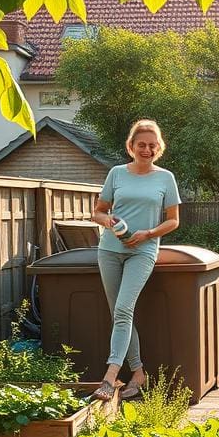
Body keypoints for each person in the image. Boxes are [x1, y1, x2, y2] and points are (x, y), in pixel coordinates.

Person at [90, 119, 180, 400]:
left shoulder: (165, 178)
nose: (147, 149)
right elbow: (98, 211)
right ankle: (138, 373)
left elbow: (174, 221)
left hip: (143, 250)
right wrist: (109, 221)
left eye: (152, 145)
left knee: (124, 309)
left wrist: (148, 233)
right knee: (120, 314)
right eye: (141, 144)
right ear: (131, 146)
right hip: (109, 249)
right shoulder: (116, 174)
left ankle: (110, 376)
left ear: (159, 148)